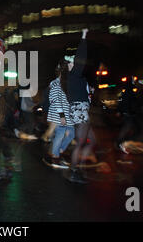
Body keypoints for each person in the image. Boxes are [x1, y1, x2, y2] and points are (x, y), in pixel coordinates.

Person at [64, 28, 96, 184]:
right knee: (80, 142)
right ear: (71, 65)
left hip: (81, 109)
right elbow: (81, 57)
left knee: (91, 140)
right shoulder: (74, 74)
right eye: (72, 62)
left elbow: (85, 95)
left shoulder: (77, 78)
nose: (75, 63)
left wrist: (90, 92)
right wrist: (83, 37)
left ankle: (80, 166)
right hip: (79, 110)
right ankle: (74, 171)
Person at [42, 61, 74, 169]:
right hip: (58, 115)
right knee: (60, 135)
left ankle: (58, 152)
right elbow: (55, 101)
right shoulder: (55, 83)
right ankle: (55, 157)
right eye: (68, 69)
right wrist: (62, 115)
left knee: (71, 134)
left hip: (66, 115)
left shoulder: (65, 83)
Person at [117, 76, 139, 153]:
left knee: (128, 127)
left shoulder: (125, 91)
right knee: (127, 127)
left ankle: (121, 142)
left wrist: (120, 111)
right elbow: (129, 102)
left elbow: (121, 102)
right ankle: (120, 143)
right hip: (129, 112)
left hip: (127, 112)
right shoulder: (130, 91)